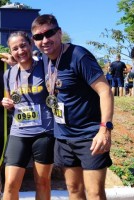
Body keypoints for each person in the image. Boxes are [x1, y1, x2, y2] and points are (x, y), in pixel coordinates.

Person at [30, 14, 113, 200]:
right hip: (63, 137)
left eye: (49, 33)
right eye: (38, 37)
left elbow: (105, 91)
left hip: (90, 136)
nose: (44, 40)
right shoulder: (43, 60)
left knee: (95, 193)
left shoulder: (79, 55)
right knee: (73, 189)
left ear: (59, 33)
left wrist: (104, 129)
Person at [1, 31, 54, 200]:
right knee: (10, 184)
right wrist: (7, 104)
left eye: (23, 45)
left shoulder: (45, 67)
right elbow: (10, 101)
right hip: (19, 133)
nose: (20, 51)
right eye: (15, 48)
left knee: (43, 182)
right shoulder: (9, 74)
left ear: (30, 44)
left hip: (44, 133)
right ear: (11, 51)